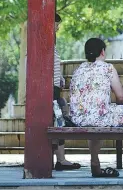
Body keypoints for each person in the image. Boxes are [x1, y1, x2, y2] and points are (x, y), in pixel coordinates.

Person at [69, 38, 123, 177]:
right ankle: (116, 129)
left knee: (95, 117)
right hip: (101, 117)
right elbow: (121, 96)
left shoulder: (78, 69)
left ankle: (95, 162)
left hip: (78, 118)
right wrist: (118, 110)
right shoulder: (107, 68)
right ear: (102, 52)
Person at [51, 13, 81, 171]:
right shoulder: (43, 43)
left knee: (59, 121)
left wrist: (60, 78)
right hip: (48, 91)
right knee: (58, 122)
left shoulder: (50, 43)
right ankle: (60, 160)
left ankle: (60, 159)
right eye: (56, 24)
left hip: (54, 89)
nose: (58, 27)